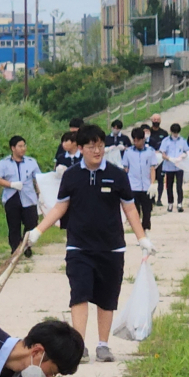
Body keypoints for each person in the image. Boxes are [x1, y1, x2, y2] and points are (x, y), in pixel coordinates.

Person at [28, 124, 155, 364]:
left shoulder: (118, 175)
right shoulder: (72, 175)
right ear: (81, 148)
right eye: (91, 146)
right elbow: (60, 206)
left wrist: (142, 238)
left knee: (107, 297)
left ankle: (103, 345)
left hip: (111, 247)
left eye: (100, 145)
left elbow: (129, 208)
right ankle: (80, 346)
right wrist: (37, 231)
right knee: (80, 294)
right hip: (79, 247)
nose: (97, 150)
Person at [0, 136, 41, 257]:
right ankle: (15, 249)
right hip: (12, 197)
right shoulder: (4, 163)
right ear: (13, 148)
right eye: (20, 146)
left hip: (29, 197)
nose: (23, 149)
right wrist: (11, 184)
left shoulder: (32, 162)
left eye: (24, 146)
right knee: (14, 225)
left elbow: (38, 179)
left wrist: (40, 193)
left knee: (31, 222)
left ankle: (26, 246)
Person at [122, 128, 156, 231]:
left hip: (146, 186)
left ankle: (145, 230)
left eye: (138, 140)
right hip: (133, 185)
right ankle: (138, 231)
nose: (136, 143)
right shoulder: (128, 152)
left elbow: (152, 168)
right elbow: (125, 169)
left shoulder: (150, 151)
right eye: (134, 140)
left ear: (143, 139)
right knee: (135, 211)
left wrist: (152, 183)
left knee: (147, 210)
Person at [159, 123, 189, 212]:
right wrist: (169, 158)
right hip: (169, 166)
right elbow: (162, 153)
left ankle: (179, 203)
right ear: (171, 132)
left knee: (179, 186)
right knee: (169, 186)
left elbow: (186, 151)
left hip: (179, 166)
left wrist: (182, 156)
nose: (175, 134)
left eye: (177, 132)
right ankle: (170, 203)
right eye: (174, 132)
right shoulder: (166, 141)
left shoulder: (182, 140)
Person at [148, 113, 168, 206]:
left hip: (160, 161)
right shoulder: (148, 132)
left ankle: (159, 199)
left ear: (160, 121)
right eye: (154, 119)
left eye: (157, 119)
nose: (156, 121)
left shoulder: (164, 133)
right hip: (149, 160)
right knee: (150, 179)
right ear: (151, 120)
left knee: (160, 179)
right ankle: (151, 198)